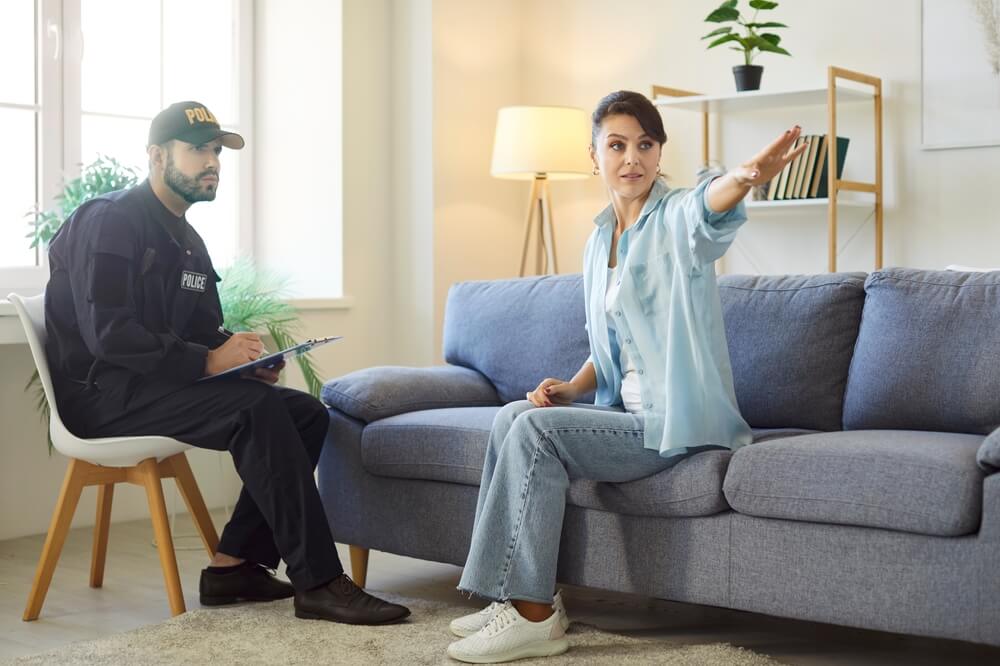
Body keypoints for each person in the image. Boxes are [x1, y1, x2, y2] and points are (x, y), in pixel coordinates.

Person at [445, 90, 807, 663]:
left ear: (660, 153)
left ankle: (535, 618)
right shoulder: (597, 241)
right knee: (516, 415)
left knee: (538, 435)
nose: (631, 158)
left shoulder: (676, 220)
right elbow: (611, 345)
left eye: (645, 144)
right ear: (595, 156)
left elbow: (708, 208)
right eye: (616, 145)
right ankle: (505, 596)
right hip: (621, 413)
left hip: (674, 425)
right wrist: (572, 388)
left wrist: (745, 175)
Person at [44, 101, 410, 625]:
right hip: (102, 396)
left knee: (305, 412)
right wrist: (209, 361)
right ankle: (319, 581)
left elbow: (200, 333)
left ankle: (232, 565)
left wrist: (238, 360)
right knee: (256, 412)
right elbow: (110, 335)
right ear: (155, 155)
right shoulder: (111, 221)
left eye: (216, 150)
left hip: (154, 387)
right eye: (198, 149)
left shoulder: (188, 242)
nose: (212, 161)